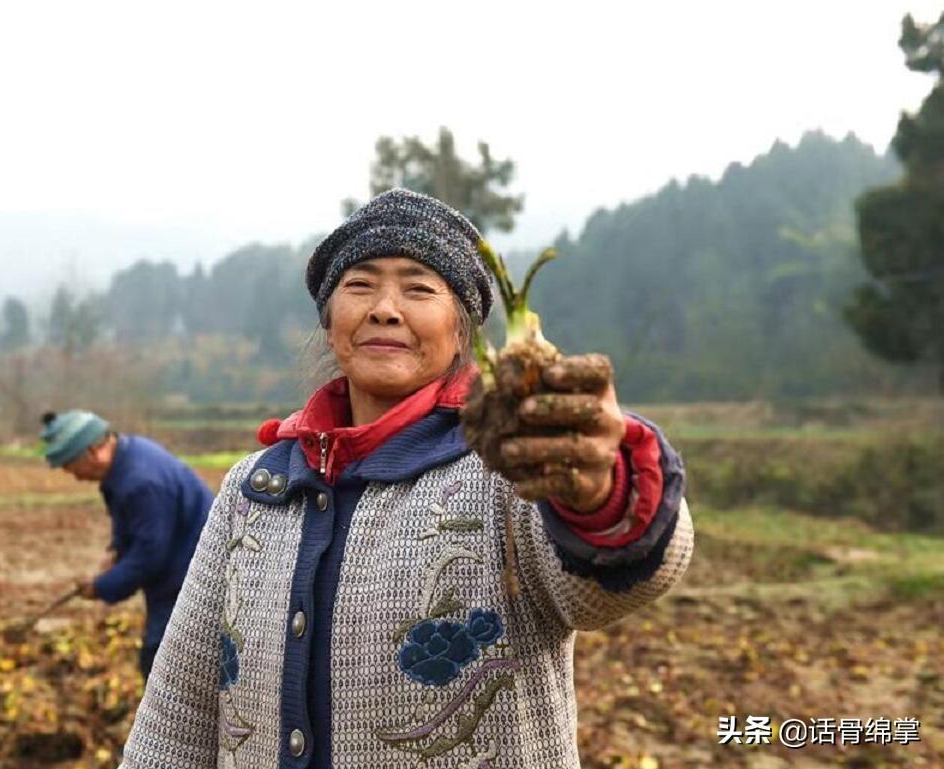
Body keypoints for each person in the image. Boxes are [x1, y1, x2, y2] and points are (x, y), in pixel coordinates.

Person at [118, 189, 693, 768]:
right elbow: (178, 711)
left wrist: (596, 487)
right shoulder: (255, 492)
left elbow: (605, 591)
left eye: (419, 288)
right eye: (360, 285)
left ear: (460, 329)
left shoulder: (507, 471)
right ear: (329, 318)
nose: (385, 308)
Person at [40, 410, 215, 680]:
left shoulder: (141, 482)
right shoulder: (128, 458)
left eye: (70, 466)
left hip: (191, 584)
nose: (72, 475)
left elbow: (149, 556)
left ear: (92, 452)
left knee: (162, 663)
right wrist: (115, 552)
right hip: (175, 575)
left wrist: (102, 587)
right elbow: (130, 524)